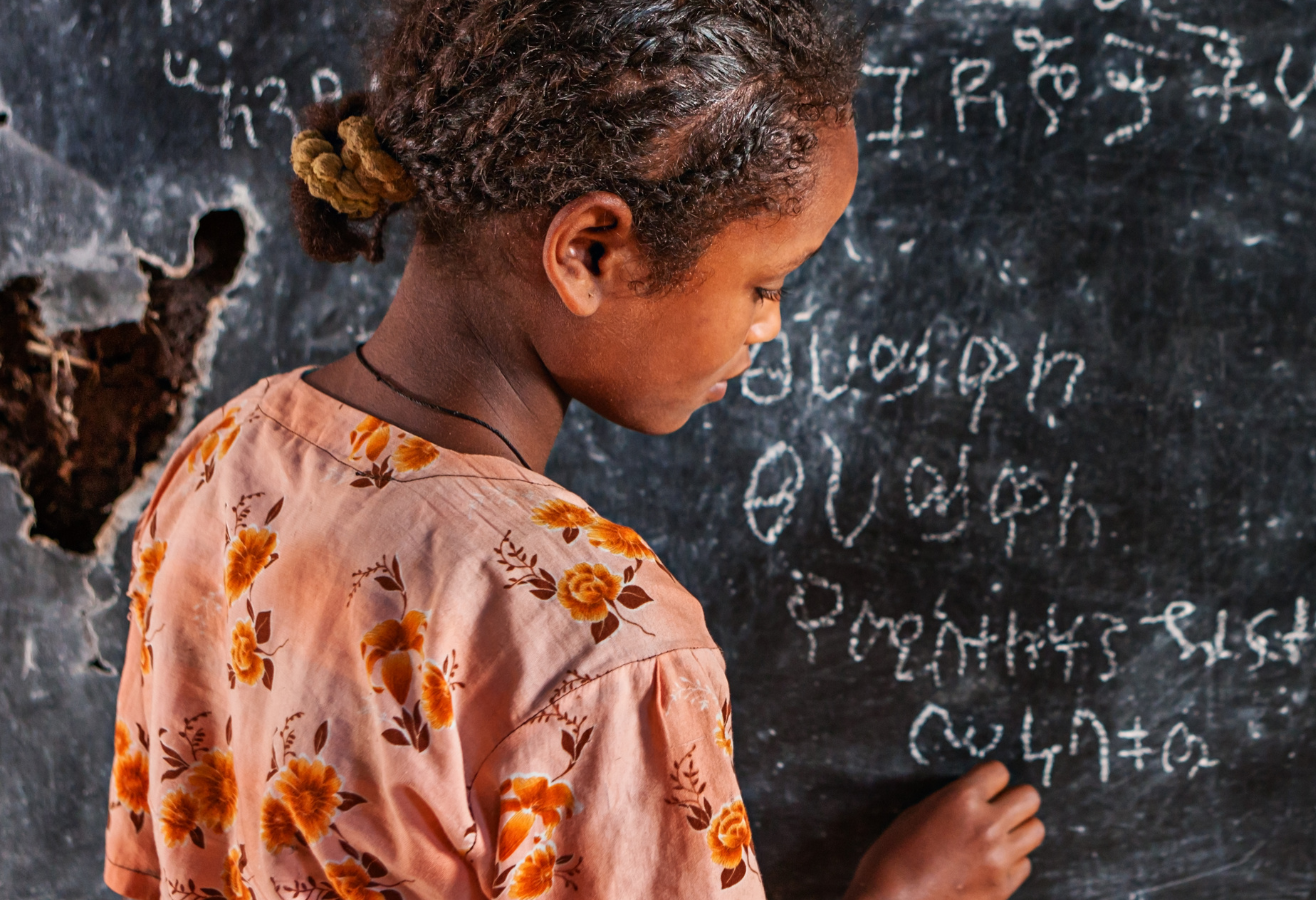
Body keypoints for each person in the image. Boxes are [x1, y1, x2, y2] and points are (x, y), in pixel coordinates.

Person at [102, 0, 1045, 896]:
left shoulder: (221, 460)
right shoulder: (596, 644)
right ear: (592, 251)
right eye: (764, 284)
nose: (771, 326)